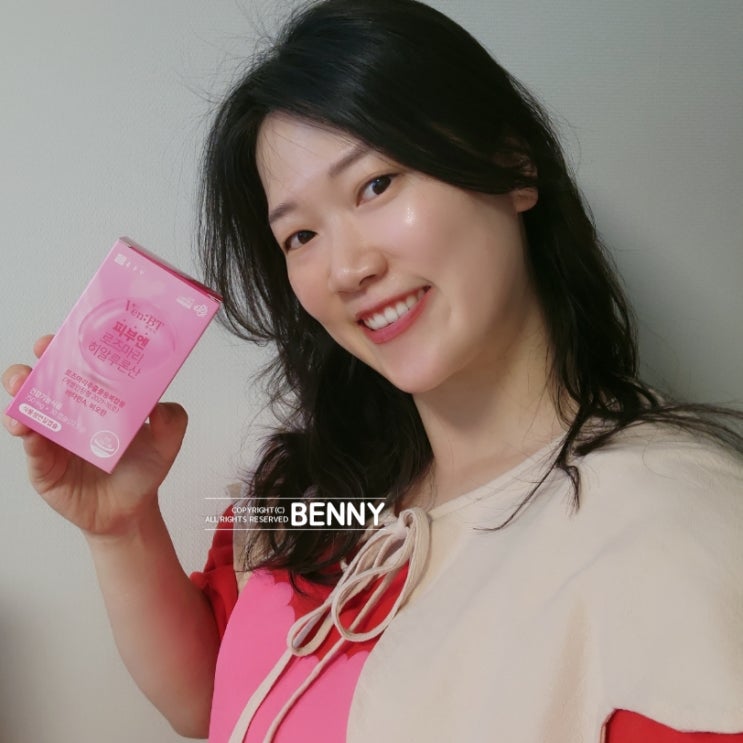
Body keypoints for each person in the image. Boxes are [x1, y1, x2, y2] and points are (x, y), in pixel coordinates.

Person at [3, 0, 743, 741]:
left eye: (377, 185)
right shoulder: (319, 493)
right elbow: (214, 700)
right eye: (300, 234)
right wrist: (122, 526)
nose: (347, 269)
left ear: (514, 163)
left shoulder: (674, 534)